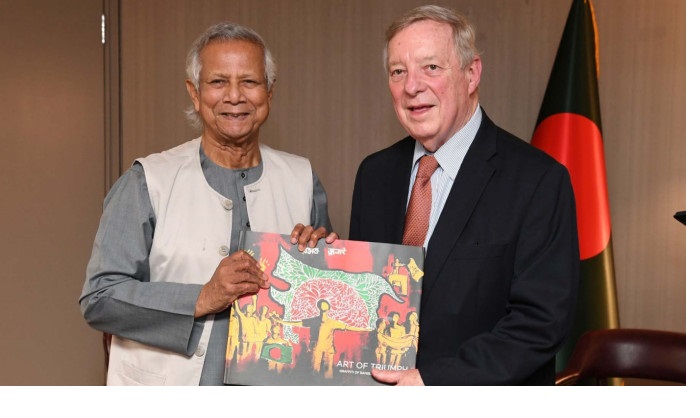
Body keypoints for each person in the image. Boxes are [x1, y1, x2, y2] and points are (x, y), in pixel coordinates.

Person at [295, 4, 579, 385]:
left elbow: (541, 324)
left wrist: (432, 382)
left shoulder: (539, 180)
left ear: (471, 73)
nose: (412, 86)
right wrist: (328, 261)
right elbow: (371, 298)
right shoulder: (374, 174)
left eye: (431, 67)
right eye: (398, 72)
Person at [79, 22, 334, 385]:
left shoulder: (304, 180)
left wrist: (321, 265)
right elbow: (99, 298)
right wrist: (202, 297)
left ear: (270, 92)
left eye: (249, 81)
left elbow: (318, 301)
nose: (235, 96)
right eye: (218, 82)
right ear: (195, 93)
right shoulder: (146, 182)